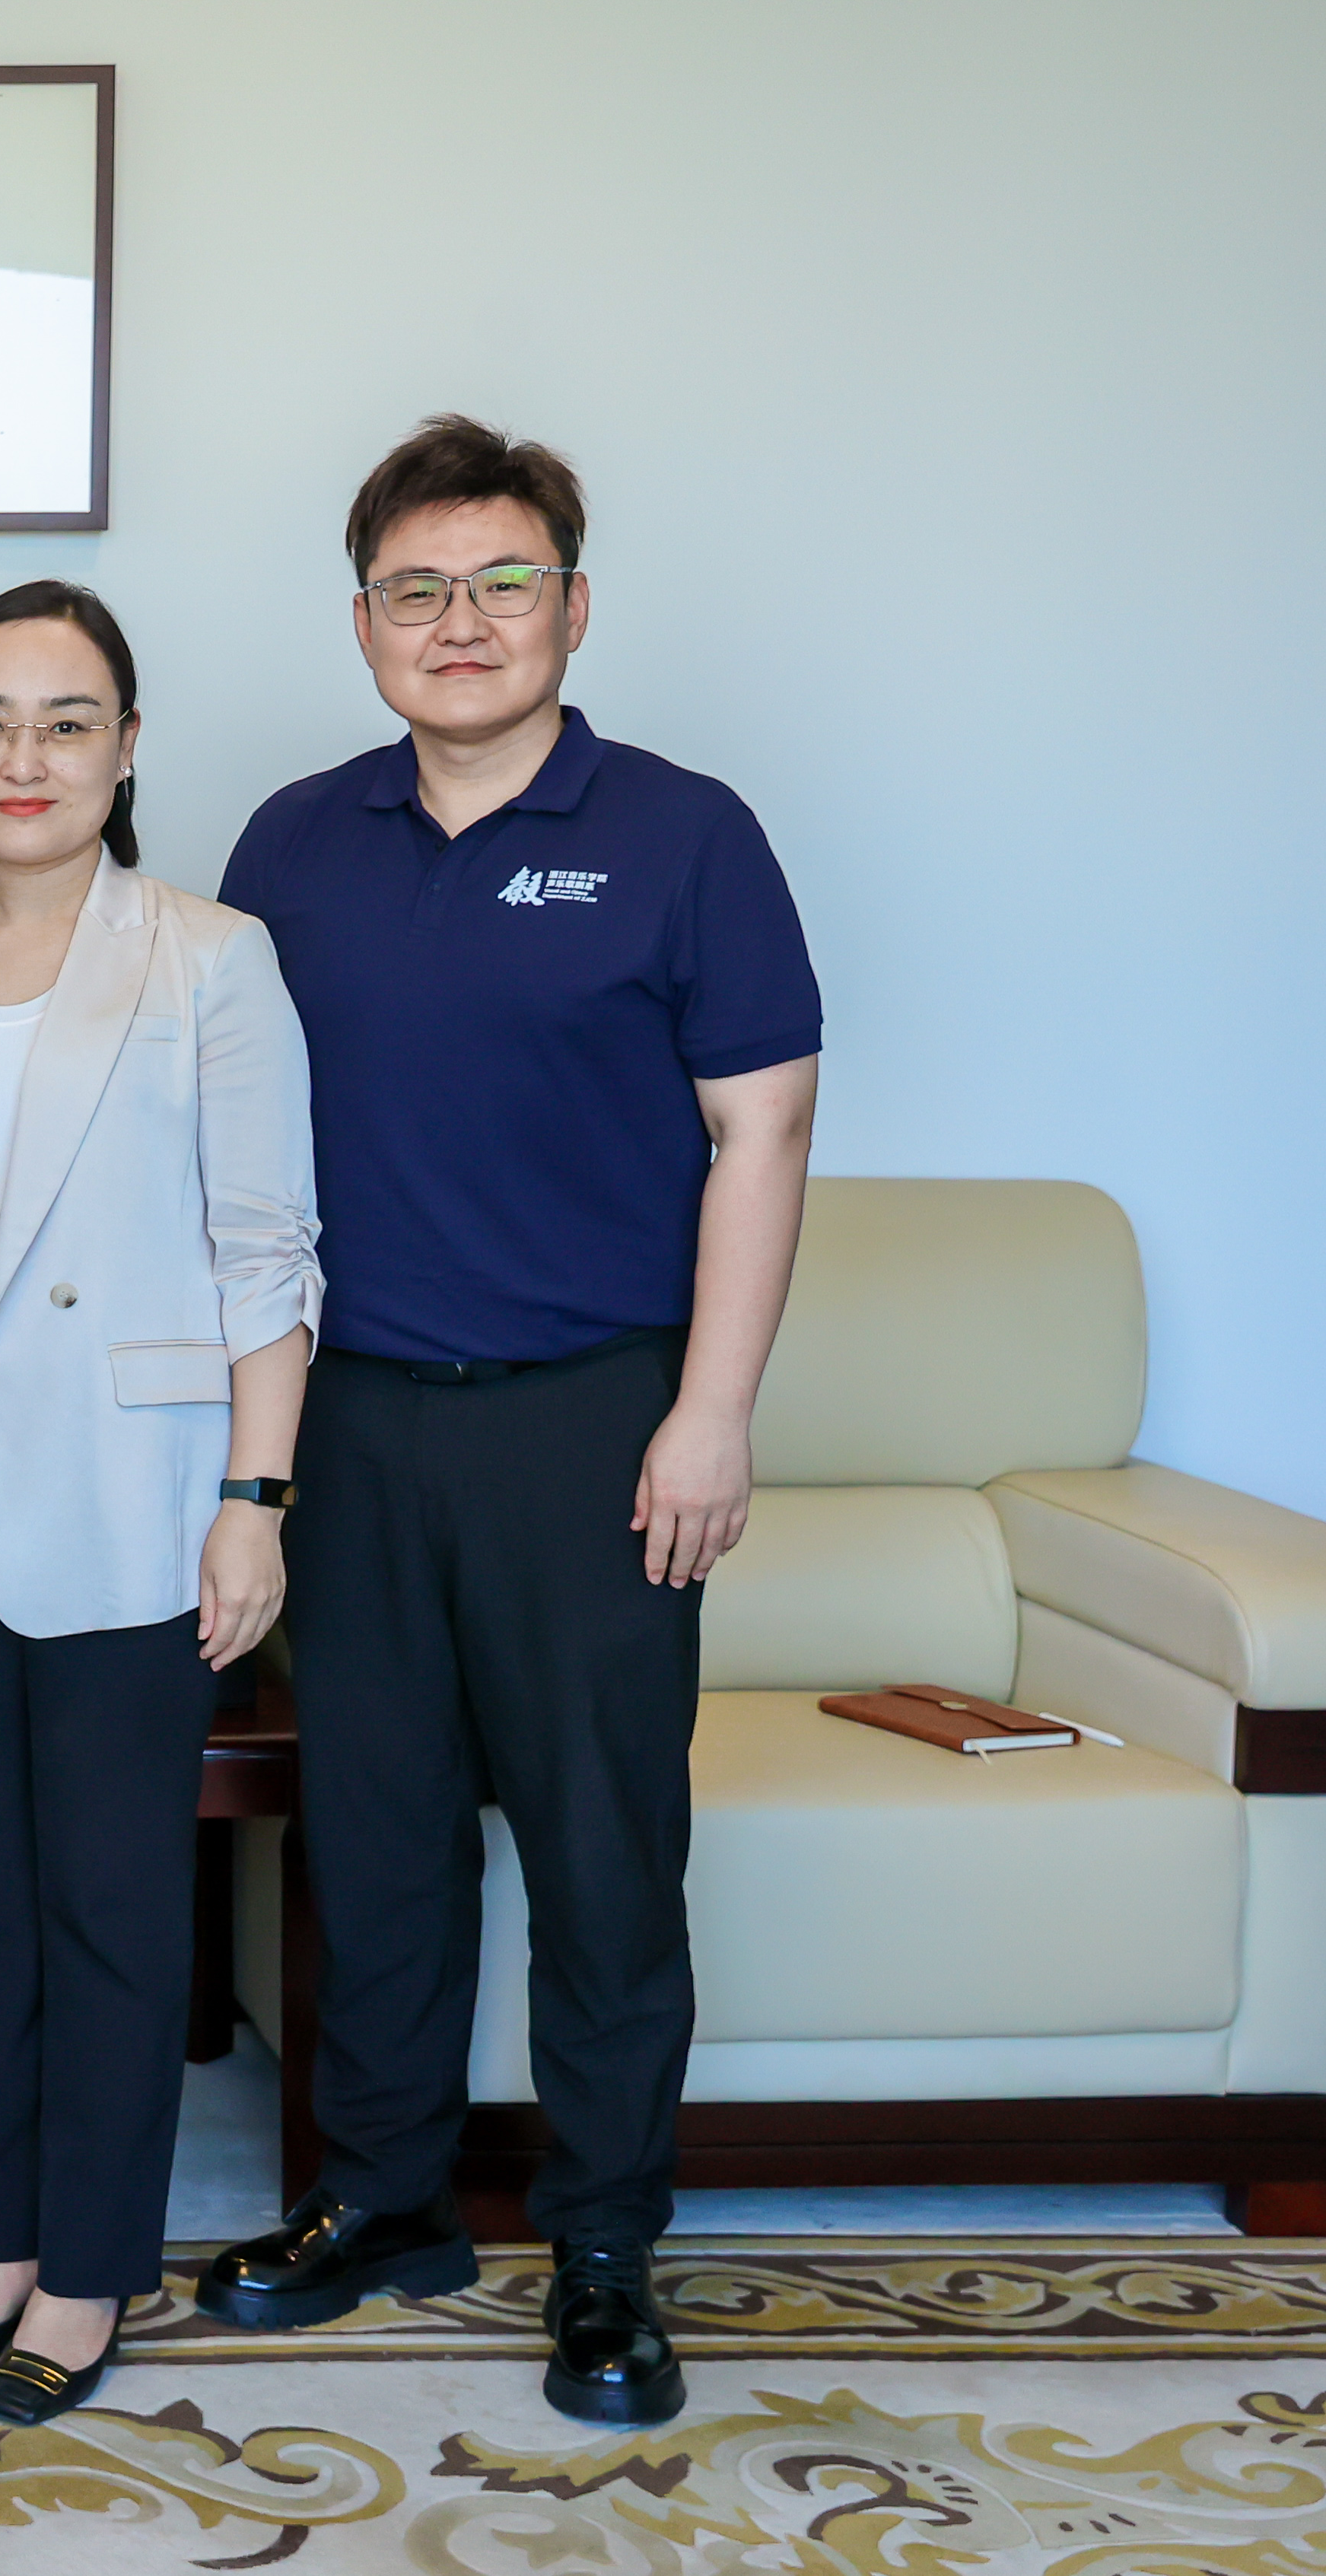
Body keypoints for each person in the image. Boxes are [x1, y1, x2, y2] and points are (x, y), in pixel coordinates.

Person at [196, 418, 822, 2427]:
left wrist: (709, 1410)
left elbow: (758, 1134)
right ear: (360, 620)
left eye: (498, 583)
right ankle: (383, 2198)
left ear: (571, 605)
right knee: (373, 1842)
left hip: (595, 1425)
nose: (455, 622)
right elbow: (229, 1150)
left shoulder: (683, 833)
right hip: (355, 1422)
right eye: (414, 588)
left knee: (601, 1853)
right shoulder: (290, 844)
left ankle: (606, 2249)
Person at [0, 581, 317, 2424]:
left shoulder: (209, 958)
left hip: (134, 1492)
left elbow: (268, 1252)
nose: (24, 757)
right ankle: (2, 2241)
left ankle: (92, 2269)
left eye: (66, 719)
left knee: (110, 1903)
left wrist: (254, 1498)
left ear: (125, 746)